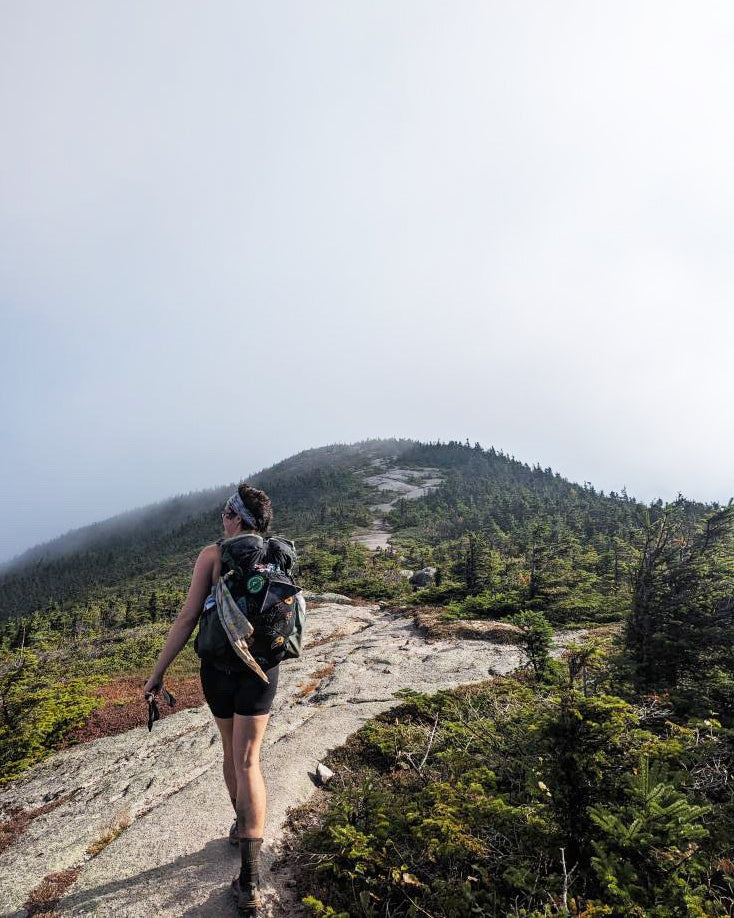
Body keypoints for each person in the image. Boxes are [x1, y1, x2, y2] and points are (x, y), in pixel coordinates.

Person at [143, 482, 279, 914]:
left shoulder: (213, 555)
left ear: (237, 518)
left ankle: (241, 826)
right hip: (262, 670)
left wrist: (156, 675)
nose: (222, 518)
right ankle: (251, 881)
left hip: (219, 669)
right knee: (250, 759)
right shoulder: (277, 553)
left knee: (230, 752)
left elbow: (187, 618)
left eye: (226, 512)